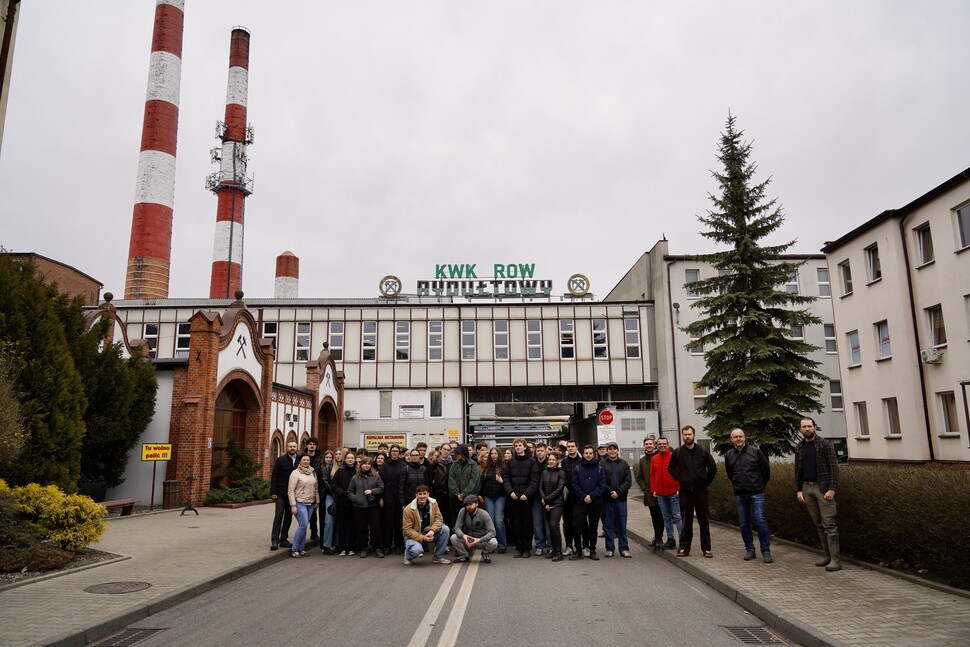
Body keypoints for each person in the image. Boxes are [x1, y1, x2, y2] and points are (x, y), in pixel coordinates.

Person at [794, 416, 841, 571]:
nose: (807, 429)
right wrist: (799, 490)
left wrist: (832, 489)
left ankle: (835, 560)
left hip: (823, 488)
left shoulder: (824, 444)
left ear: (814, 427)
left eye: (809, 426)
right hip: (807, 489)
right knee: (818, 524)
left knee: (829, 524)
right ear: (800, 429)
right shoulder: (799, 446)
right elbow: (797, 470)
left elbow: (834, 467)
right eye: (804, 427)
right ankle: (826, 556)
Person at [724, 428, 773, 563]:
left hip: (756, 493)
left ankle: (766, 550)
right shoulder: (729, 455)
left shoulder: (755, 452)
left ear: (745, 438)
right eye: (735, 437)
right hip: (740, 494)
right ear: (731, 439)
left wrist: (760, 485)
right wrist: (737, 485)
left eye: (740, 436)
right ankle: (749, 549)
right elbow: (730, 473)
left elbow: (766, 471)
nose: (738, 439)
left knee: (760, 521)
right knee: (744, 523)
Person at [668, 425, 717, 558]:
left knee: (703, 520)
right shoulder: (678, 452)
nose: (687, 437)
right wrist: (680, 478)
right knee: (686, 520)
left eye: (689, 434)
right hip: (685, 491)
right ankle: (684, 548)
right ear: (682, 436)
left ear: (694, 435)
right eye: (685, 435)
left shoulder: (702, 450)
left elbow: (712, 468)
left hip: (701, 490)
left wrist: (705, 482)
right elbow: (671, 468)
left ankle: (706, 548)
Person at [503, 438, 539, 558]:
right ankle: (519, 548)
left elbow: (534, 481)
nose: (518, 447)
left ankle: (527, 548)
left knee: (527, 523)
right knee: (516, 523)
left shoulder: (532, 462)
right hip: (514, 497)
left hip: (526, 498)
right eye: (516, 446)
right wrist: (510, 492)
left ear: (524, 447)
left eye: (520, 445)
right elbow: (506, 479)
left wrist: (527, 494)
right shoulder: (510, 462)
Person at [569, 444, 605, 560]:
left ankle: (592, 549)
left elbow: (602, 485)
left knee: (593, 527)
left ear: (594, 454)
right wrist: (584, 496)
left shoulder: (599, 468)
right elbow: (574, 484)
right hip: (580, 502)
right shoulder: (578, 468)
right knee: (576, 526)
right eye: (586, 453)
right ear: (583, 454)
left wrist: (592, 496)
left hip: (595, 503)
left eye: (590, 453)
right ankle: (578, 550)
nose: (588, 455)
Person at [402, 484, 451, 565]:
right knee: (417, 551)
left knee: (445, 529)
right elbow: (406, 530)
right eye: (420, 494)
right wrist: (422, 537)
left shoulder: (434, 503)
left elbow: (439, 519)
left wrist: (432, 530)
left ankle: (438, 557)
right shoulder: (408, 509)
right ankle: (408, 556)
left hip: (428, 532)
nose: (422, 496)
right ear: (416, 495)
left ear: (428, 494)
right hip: (415, 535)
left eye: (424, 493)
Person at [348, 455, 385, 558]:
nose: (367, 466)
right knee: (361, 529)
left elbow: (381, 488)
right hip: (359, 507)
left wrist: (372, 491)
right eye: (364, 463)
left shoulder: (376, 476)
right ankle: (363, 549)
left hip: (373, 506)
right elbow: (350, 492)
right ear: (361, 465)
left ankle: (377, 548)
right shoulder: (355, 478)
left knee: (375, 528)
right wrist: (357, 499)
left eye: (369, 464)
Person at [601, 442, 633, 558]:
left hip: (621, 500)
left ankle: (624, 548)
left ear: (617, 451)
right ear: (607, 451)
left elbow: (628, 481)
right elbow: (601, 481)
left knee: (621, 525)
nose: (612, 451)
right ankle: (609, 548)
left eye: (614, 449)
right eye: (610, 449)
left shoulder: (624, 464)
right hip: (607, 499)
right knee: (608, 525)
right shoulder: (602, 464)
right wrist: (610, 492)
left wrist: (618, 492)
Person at [650, 437, 682, 550]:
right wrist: (654, 489)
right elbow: (652, 475)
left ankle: (683, 540)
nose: (662, 445)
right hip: (660, 493)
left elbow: (679, 473)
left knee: (677, 517)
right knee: (666, 517)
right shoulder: (654, 459)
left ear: (668, 444)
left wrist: (679, 487)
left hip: (673, 492)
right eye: (660, 444)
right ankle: (670, 539)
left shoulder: (674, 457)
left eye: (664, 443)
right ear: (657, 445)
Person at [633, 437, 665, 547]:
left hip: (662, 491)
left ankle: (660, 537)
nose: (648, 445)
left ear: (654, 445)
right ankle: (657, 537)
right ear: (644, 446)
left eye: (650, 444)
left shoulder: (660, 456)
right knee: (654, 515)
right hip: (650, 493)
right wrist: (645, 488)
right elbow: (639, 476)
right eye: (646, 444)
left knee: (662, 515)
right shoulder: (642, 461)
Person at [270, 440, 301, 551]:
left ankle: (284, 539)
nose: (292, 448)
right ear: (287, 448)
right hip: (281, 493)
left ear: (297, 447)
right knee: (278, 516)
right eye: (290, 446)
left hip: (293, 494)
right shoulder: (280, 460)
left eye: (294, 446)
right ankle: (274, 540)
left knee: (288, 517)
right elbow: (274, 476)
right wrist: (273, 492)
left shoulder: (300, 460)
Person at [287, 454, 319, 558]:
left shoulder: (312, 472)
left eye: (308, 460)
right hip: (299, 502)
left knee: (304, 526)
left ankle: (301, 548)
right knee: (303, 525)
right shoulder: (295, 473)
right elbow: (290, 490)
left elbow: (316, 488)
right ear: (299, 461)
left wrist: (316, 502)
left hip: (310, 503)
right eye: (304, 460)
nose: (306, 461)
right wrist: (293, 505)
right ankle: (294, 549)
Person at [451, 494, 498, 563]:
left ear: (477, 504)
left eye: (470, 504)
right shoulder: (463, 511)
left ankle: (485, 553)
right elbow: (457, 528)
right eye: (467, 505)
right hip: (468, 539)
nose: (468, 507)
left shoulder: (484, 514)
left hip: (481, 540)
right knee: (453, 537)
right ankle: (465, 555)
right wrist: (464, 536)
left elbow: (493, 532)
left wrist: (479, 540)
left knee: (493, 542)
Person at [379, 444, 407, 555]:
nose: (394, 453)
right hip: (387, 496)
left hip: (399, 497)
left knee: (399, 523)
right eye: (393, 451)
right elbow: (381, 483)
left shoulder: (403, 465)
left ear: (399, 452)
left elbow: (404, 483)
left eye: (396, 451)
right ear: (390, 452)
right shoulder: (384, 466)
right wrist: (381, 498)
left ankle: (399, 545)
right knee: (388, 523)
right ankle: (387, 546)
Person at [479, 447, 508, 553]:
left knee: (499, 520)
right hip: (489, 497)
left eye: (495, 453)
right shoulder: (487, 467)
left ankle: (502, 544)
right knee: (490, 521)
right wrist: (480, 494)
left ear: (499, 455)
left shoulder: (504, 467)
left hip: (500, 496)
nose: (493, 455)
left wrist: (502, 481)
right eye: (492, 454)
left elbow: (508, 483)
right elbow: (482, 482)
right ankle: (491, 544)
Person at [539, 452, 567, 561]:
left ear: (557, 461)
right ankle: (554, 550)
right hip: (545, 504)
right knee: (550, 528)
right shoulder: (544, 472)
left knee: (554, 525)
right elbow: (540, 487)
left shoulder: (561, 473)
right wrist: (545, 501)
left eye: (553, 460)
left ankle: (559, 552)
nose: (551, 461)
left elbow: (559, 489)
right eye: (549, 460)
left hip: (557, 504)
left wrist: (546, 500)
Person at [330, 450, 358, 555]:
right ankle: (342, 548)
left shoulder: (357, 471)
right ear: (345, 459)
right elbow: (333, 484)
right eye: (348, 458)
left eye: (352, 458)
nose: (350, 460)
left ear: (354, 460)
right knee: (342, 525)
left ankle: (350, 547)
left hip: (354, 502)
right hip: (342, 502)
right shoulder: (340, 471)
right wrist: (341, 492)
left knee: (351, 525)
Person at [448, 444, 480, 525]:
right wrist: (456, 493)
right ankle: (456, 535)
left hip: (468, 497)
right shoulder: (454, 464)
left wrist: (463, 494)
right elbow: (451, 479)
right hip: (455, 497)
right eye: (456, 453)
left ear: (463, 453)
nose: (456, 455)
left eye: (458, 453)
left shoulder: (473, 465)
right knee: (455, 519)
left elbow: (474, 481)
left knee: (468, 519)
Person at [560, 440, 582, 556]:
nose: (570, 448)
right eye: (568, 447)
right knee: (567, 523)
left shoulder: (582, 462)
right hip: (566, 499)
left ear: (577, 447)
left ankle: (582, 546)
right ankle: (569, 546)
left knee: (579, 524)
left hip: (579, 498)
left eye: (573, 446)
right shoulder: (563, 463)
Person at [531, 443, 552, 555]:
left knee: (548, 523)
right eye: (538, 450)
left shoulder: (550, 462)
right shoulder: (532, 463)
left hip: (548, 497)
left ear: (545, 451)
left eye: (541, 450)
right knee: (537, 523)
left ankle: (550, 545)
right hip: (535, 497)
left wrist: (547, 497)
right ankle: (539, 545)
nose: (539, 452)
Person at [303, 438, 323, 545]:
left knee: (314, 511)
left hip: (317, 487)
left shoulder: (320, 457)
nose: (312, 446)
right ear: (306, 445)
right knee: (307, 513)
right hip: (305, 488)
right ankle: (308, 533)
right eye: (310, 444)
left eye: (314, 444)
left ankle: (314, 533)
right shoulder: (302, 457)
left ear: (316, 446)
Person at [433, 443, 454, 529]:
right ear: (440, 450)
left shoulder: (453, 463)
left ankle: (448, 537)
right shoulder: (434, 463)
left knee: (449, 514)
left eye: (448, 450)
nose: (446, 451)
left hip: (449, 492)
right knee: (439, 515)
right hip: (438, 492)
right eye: (444, 449)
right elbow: (430, 478)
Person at [400, 449, 429, 513]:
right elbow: (401, 487)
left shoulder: (424, 469)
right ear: (410, 456)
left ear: (419, 456)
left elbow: (427, 485)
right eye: (412, 455)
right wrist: (402, 503)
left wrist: (428, 499)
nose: (414, 457)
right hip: (409, 500)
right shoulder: (405, 469)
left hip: (422, 499)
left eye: (416, 455)